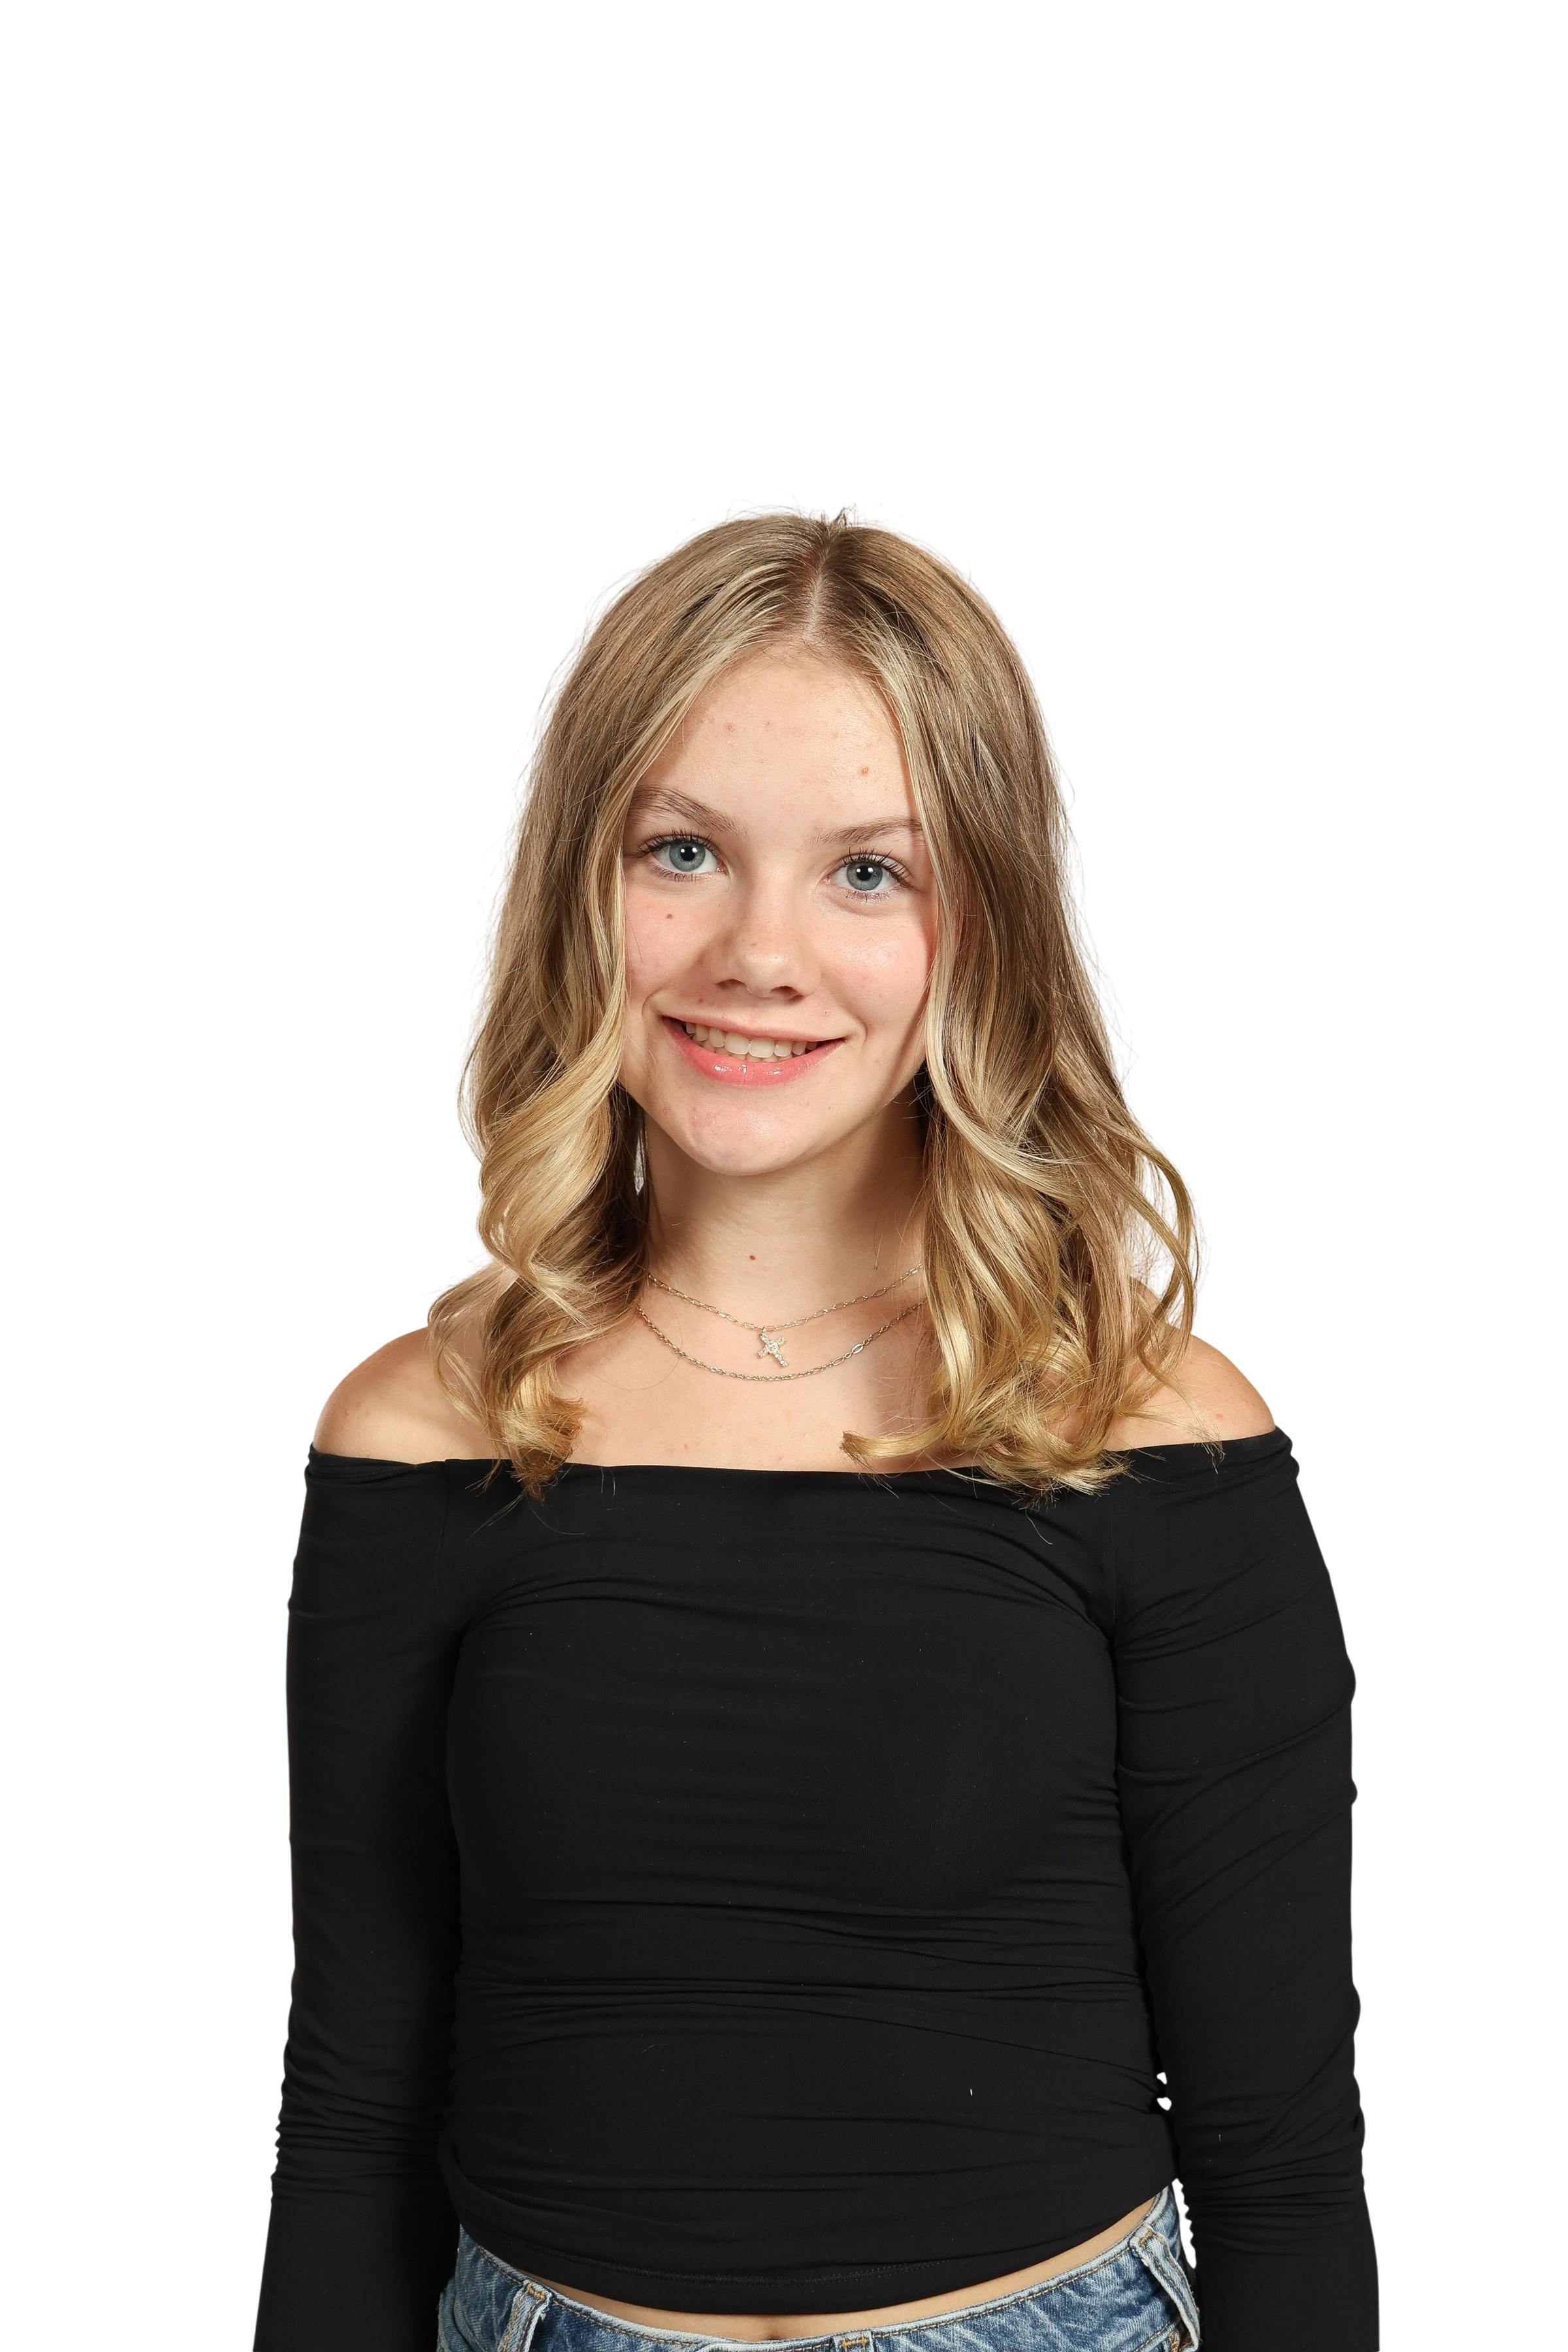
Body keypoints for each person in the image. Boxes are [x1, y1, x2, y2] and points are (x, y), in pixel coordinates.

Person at [252, 497, 1380, 2352]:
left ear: (985, 926)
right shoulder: (425, 1431)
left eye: (869, 872)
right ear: (576, 891)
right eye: (683, 850)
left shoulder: (1148, 1430)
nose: (758, 954)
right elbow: (355, 2104)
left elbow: (1279, 2144)